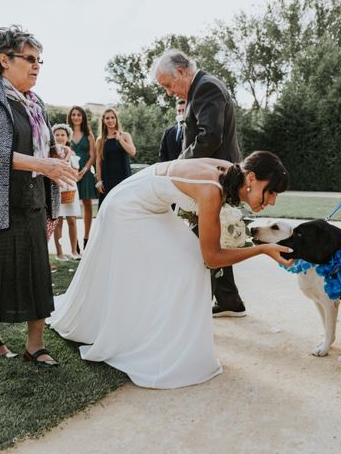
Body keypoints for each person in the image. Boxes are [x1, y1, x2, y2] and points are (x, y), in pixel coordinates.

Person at [48, 151, 292, 388]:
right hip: (129, 207)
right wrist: (261, 250)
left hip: (152, 204)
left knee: (189, 260)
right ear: (251, 179)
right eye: (270, 192)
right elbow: (213, 258)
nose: (272, 201)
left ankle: (167, 333)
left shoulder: (229, 170)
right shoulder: (212, 190)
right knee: (191, 265)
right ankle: (165, 344)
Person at [0, 25, 77, 366]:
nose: (37, 66)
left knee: (38, 272)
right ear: (5, 59)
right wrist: (40, 162)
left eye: (40, 60)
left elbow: (39, 146)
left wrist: (56, 153)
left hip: (33, 198)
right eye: (30, 59)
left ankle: (35, 344)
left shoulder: (36, 102)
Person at [153, 49, 245, 318]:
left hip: (214, 179)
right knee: (211, 238)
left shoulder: (205, 88)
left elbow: (210, 137)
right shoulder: (202, 87)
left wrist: (179, 165)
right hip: (212, 177)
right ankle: (229, 300)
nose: (169, 92)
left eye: (168, 85)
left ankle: (188, 307)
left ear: (181, 71)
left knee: (196, 244)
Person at [68, 105, 97, 250]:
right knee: (71, 206)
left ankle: (86, 238)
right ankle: (75, 243)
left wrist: (84, 170)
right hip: (70, 174)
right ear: (70, 117)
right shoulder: (66, 134)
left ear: (83, 117)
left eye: (79, 115)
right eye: (74, 114)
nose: (76, 117)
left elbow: (93, 155)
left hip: (85, 174)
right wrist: (73, 172)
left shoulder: (89, 135)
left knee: (87, 204)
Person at [52, 123, 82, 261]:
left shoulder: (73, 155)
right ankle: (59, 253)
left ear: (67, 138)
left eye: (62, 135)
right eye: (57, 134)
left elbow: (75, 174)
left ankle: (74, 251)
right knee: (58, 221)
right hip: (57, 188)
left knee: (72, 220)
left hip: (70, 189)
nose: (59, 137)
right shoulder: (51, 153)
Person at [95, 108, 136, 204]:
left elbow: (133, 152)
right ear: (103, 121)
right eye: (107, 118)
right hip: (107, 178)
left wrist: (120, 139)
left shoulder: (125, 136)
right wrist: (99, 181)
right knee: (109, 205)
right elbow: (98, 161)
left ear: (116, 119)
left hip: (124, 176)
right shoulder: (100, 140)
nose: (110, 120)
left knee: (124, 204)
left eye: (112, 117)